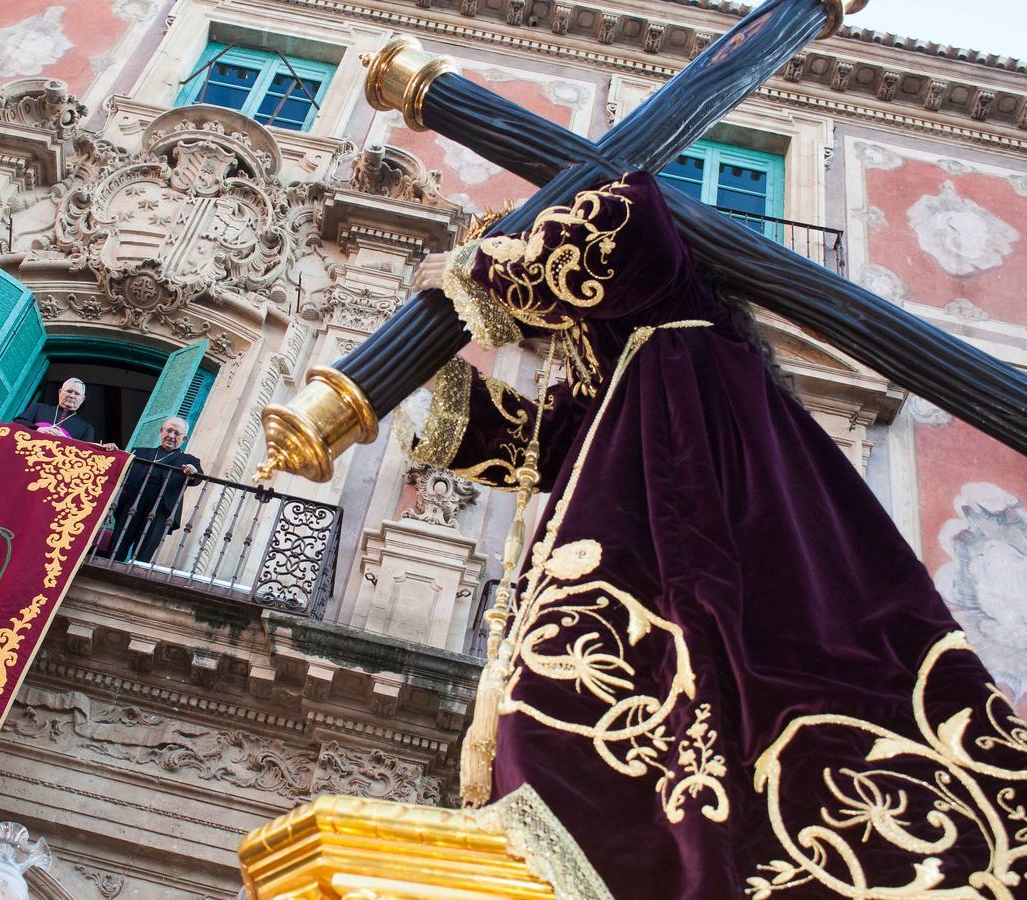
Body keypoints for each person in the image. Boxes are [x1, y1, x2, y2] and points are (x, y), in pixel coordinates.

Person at [409, 172, 1023, 897]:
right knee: (561, 705)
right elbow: (554, 441)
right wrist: (433, 380)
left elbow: (621, 230)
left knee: (687, 661)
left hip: (700, 481)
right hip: (641, 496)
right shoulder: (623, 368)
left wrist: (468, 266)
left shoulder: (673, 304)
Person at [110, 417, 203, 564]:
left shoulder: (190, 460)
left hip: (161, 511)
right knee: (117, 548)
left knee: (143, 554)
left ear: (184, 438)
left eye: (177, 434)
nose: (171, 436)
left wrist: (193, 472)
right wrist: (111, 451)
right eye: (169, 431)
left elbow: (197, 478)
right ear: (161, 431)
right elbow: (117, 468)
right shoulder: (138, 452)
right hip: (131, 504)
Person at [15, 378, 96, 443]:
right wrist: (39, 429)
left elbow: (88, 450)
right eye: (69, 391)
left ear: (82, 399)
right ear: (60, 392)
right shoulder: (39, 408)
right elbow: (18, 423)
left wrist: (66, 440)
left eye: (77, 394)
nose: (72, 396)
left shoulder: (86, 428)